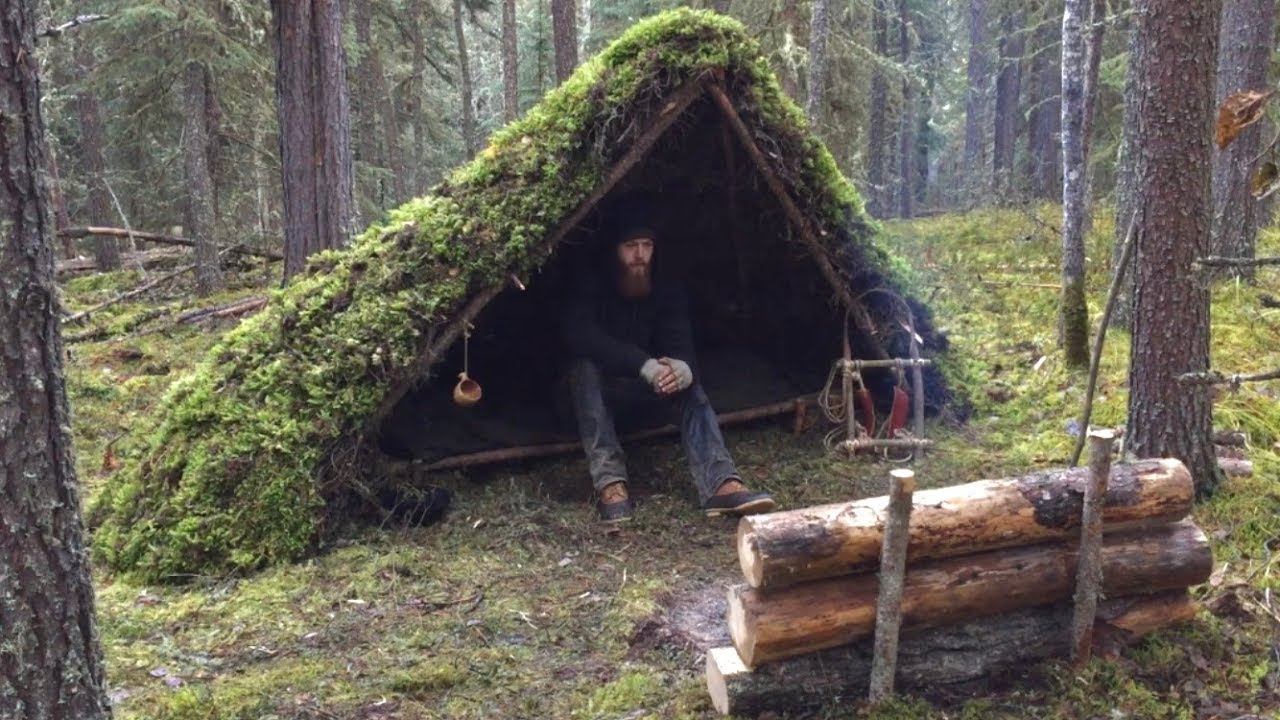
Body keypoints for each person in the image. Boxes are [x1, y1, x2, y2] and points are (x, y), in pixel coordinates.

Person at [560, 218, 776, 522]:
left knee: (688, 386)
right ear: (613, 250)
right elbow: (580, 336)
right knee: (584, 370)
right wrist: (642, 364)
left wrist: (681, 369)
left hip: (642, 395)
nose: (639, 255)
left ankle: (720, 483)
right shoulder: (590, 284)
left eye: (646, 246)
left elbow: (681, 343)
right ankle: (611, 484)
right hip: (593, 401)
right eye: (630, 246)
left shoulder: (665, 288)